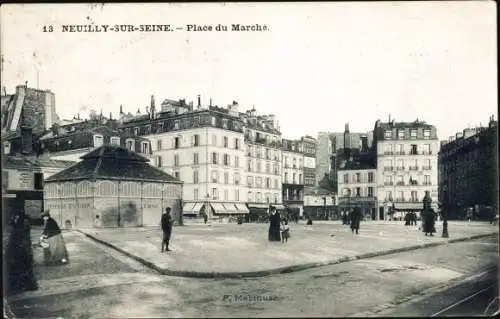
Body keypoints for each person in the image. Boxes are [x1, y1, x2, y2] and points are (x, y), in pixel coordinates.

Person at [5, 208, 38, 295]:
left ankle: (24, 285)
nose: (27, 224)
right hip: (18, 252)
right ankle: (22, 285)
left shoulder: (21, 230)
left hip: (21, 252)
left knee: (23, 269)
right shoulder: (18, 229)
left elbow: (24, 242)